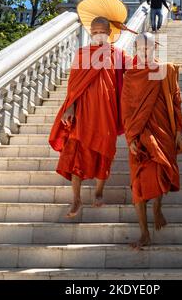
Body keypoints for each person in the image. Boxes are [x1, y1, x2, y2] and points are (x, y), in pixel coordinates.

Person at [49, 16, 131, 218]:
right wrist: (69, 107)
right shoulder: (83, 54)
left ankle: (99, 192)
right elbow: (73, 85)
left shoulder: (118, 54)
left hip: (107, 113)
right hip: (83, 113)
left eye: (101, 31)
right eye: (94, 32)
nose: (97, 35)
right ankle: (76, 199)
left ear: (109, 33)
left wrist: (159, 59)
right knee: (76, 155)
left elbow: (138, 67)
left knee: (105, 153)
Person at [121, 32, 182, 249]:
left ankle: (157, 206)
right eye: (140, 48)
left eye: (148, 47)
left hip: (163, 131)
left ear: (155, 48)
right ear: (135, 50)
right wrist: (130, 136)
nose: (145, 51)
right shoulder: (131, 75)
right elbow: (127, 108)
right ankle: (144, 233)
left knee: (160, 173)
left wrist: (180, 130)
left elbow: (176, 102)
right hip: (139, 134)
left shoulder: (165, 70)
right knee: (138, 183)